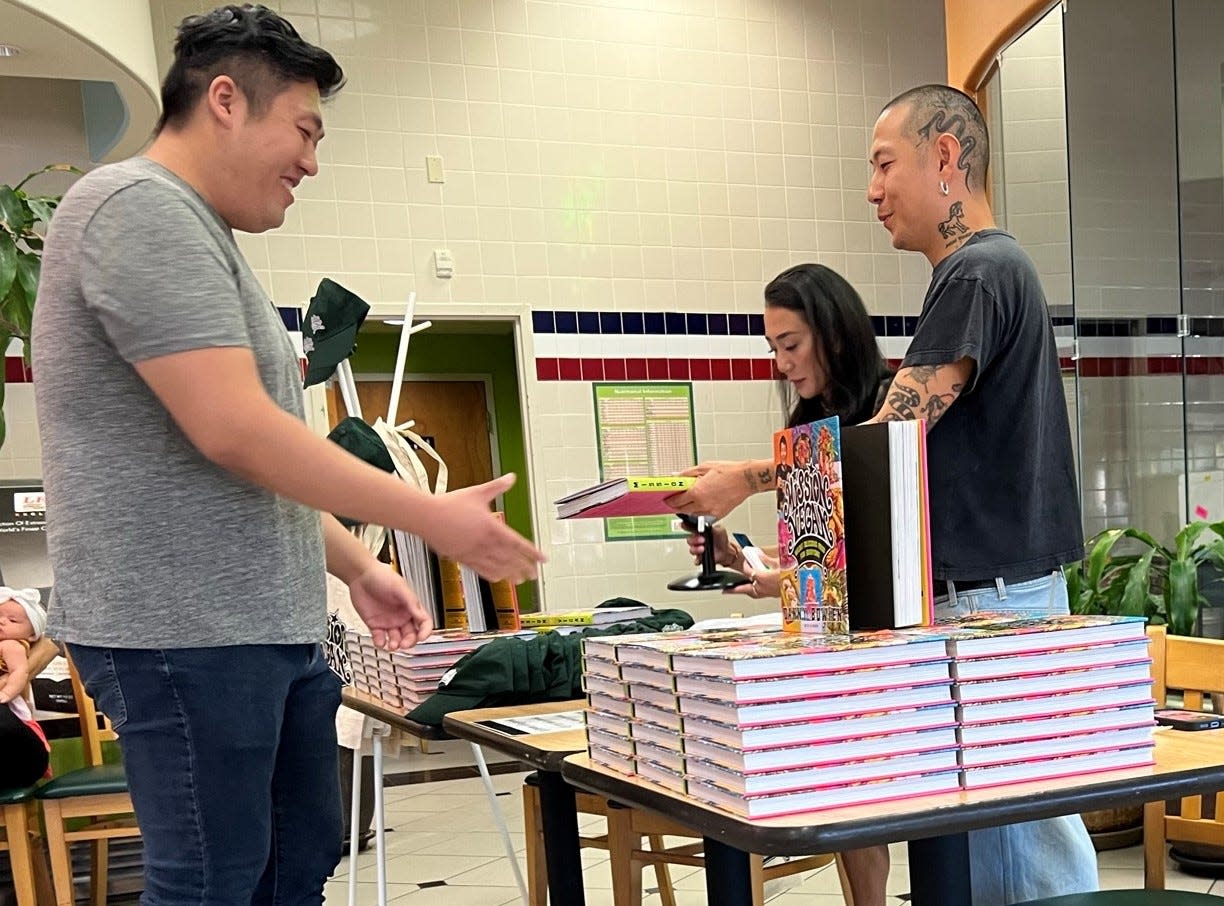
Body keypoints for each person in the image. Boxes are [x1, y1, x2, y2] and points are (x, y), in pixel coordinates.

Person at [31, 5, 544, 903]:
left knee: (295, 864)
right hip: (183, 630)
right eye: (303, 130)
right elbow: (234, 428)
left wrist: (354, 566)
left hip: (261, 624)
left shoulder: (197, 232)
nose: (311, 160)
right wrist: (426, 516)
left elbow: (252, 457)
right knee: (212, 883)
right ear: (225, 100)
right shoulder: (134, 208)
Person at [671, 263, 893, 597]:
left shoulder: (892, 407)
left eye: (791, 346)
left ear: (835, 337)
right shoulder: (809, 422)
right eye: (773, 349)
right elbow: (817, 554)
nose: (782, 364)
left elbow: (877, 558)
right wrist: (733, 555)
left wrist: (746, 478)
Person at [0, 588, 51, 787]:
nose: (2, 622)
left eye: (12, 621)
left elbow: (19, 672)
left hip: (19, 753)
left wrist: (5, 692)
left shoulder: (13, 646)